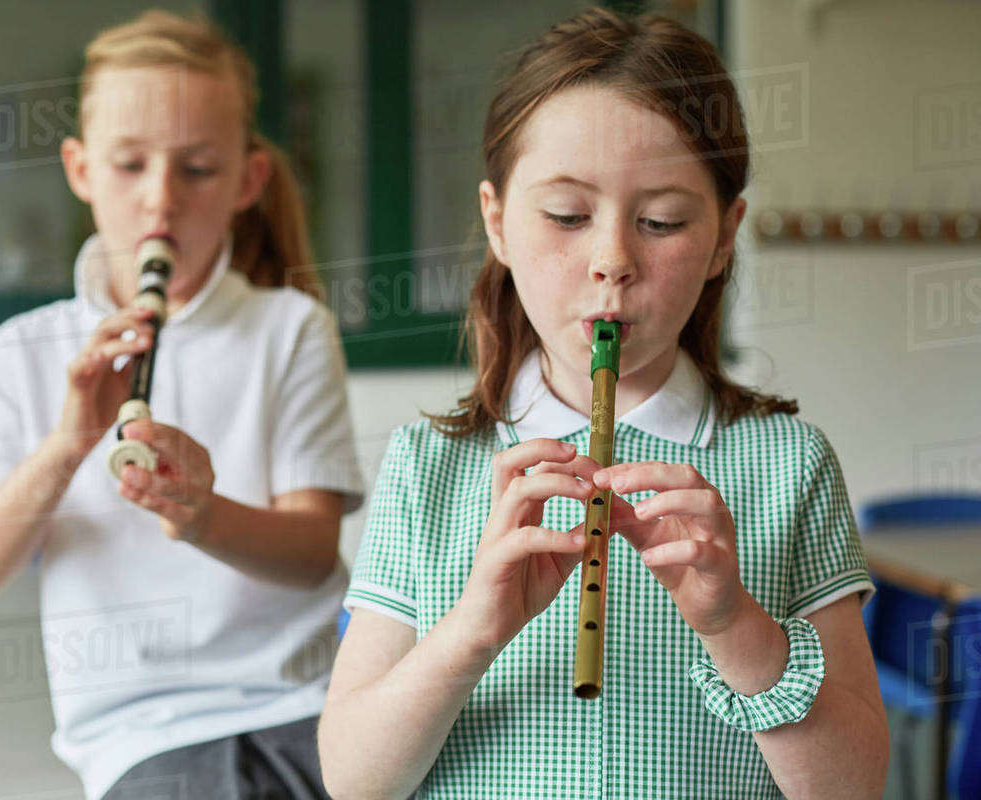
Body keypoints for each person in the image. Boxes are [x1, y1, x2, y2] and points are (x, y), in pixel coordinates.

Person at [318, 9, 887, 799]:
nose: (612, 261)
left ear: (725, 236)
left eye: (661, 222)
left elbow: (852, 786)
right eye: (566, 216)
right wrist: (473, 631)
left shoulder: (788, 464)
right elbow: (351, 780)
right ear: (498, 223)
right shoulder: (430, 464)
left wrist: (735, 627)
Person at [0, 11, 361, 800]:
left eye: (197, 168)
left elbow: (311, 556)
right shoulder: (22, 349)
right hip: (144, 728)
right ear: (80, 169)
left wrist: (203, 514)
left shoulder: (289, 327)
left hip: (311, 702)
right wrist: (69, 443)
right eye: (129, 164)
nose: (159, 200)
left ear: (248, 180)